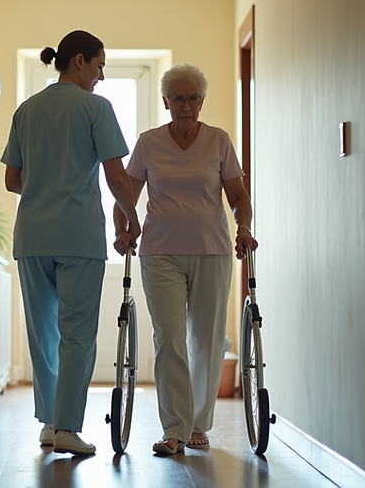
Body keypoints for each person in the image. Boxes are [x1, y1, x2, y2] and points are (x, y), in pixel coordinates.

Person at [1, 30, 141, 456]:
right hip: (78, 235)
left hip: (32, 237)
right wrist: (132, 218)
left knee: (43, 335)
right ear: (78, 61)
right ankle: (66, 427)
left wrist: (45, 184)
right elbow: (117, 176)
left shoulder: (26, 110)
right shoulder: (96, 108)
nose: (101, 76)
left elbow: (12, 180)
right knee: (77, 334)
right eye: (99, 66)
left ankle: (49, 424)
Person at [112, 63, 258, 455]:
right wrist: (123, 228)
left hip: (212, 249)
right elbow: (127, 193)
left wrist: (243, 227)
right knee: (170, 337)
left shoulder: (218, 141)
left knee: (207, 339)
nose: (187, 106)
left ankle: (198, 423)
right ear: (166, 101)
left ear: (202, 101)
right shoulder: (149, 142)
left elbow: (238, 196)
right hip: (160, 251)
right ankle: (175, 428)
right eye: (178, 98)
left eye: (194, 98)